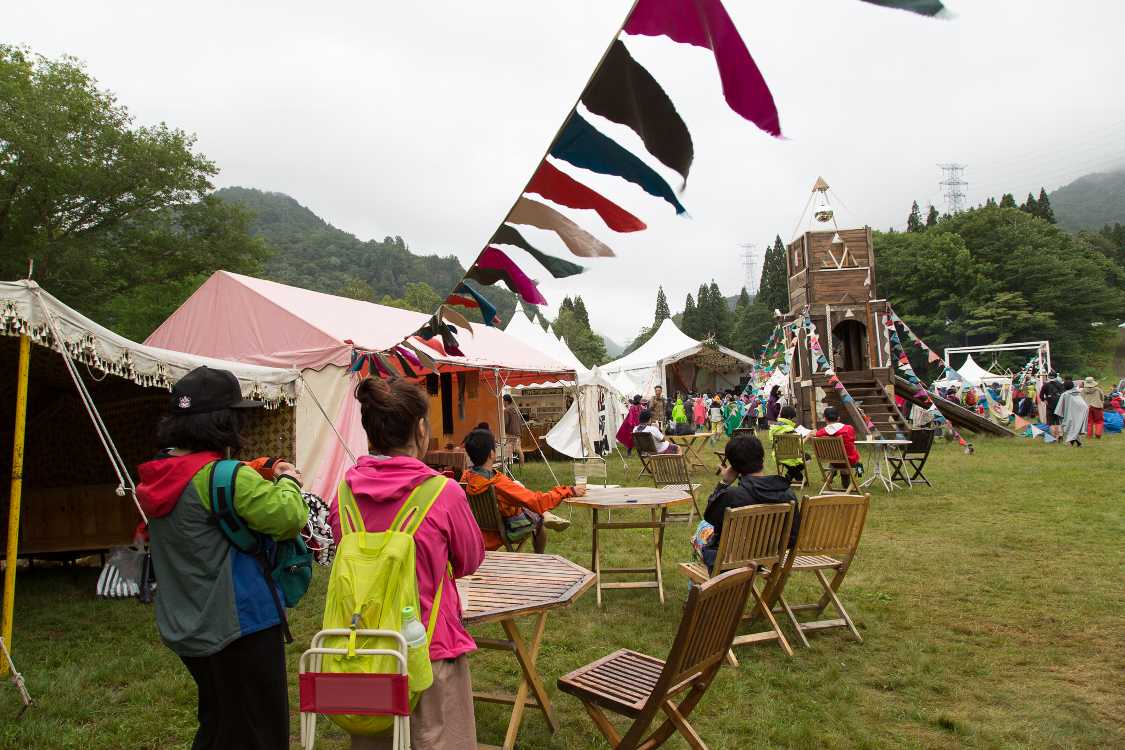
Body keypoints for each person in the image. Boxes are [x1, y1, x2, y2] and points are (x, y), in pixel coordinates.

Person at [137, 366, 309, 750]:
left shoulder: (157, 475)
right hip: (241, 625)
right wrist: (288, 480)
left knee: (220, 725)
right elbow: (289, 517)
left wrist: (255, 468)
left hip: (188, 623)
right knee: (261, 733)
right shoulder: (227, 477)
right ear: (223, 421)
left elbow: (206, 480)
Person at [330, 377, 485, 749]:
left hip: (366, 651)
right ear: (420, 428)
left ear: (370, 433)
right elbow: (469, 559)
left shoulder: (344, 494)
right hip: (429, 649)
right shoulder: (444, 493)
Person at [461, 428, 578, 553]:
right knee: (537, 518)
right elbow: (536, 501)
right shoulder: (498, 484)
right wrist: (570, 490)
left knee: (519, 493)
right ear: (492, 454)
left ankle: (545, 514)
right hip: (506, 530)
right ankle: (540, 553)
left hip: (475, 532)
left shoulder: (465, 479)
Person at [692, 435, 798, 571]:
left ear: (734, 467)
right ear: (762, 458)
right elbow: (792, 537)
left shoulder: (732, 496)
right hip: (767, 558)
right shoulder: (788, 494)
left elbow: (709, 517)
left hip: (731, 560)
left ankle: (699, 584)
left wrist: (724, 483)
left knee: (701, 529)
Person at [815, 406, 863, 477]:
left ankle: (831, 475)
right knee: (858, 457)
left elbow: (815, 434)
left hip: (832, 461)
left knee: (835, 456)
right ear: (838, 418)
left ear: (825, 419)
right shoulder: (848, 429)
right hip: (849, 461)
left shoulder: (821, 432)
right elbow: (852, 442)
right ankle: (859, 473)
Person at [769, 405, 807, 485]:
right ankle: (790, 474)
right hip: (792, 456)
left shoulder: (773, 427)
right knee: (807, 458)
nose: (794, 420)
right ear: (789, 418)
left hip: (777, 455)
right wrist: (808, 436)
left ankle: (795, 475)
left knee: (790, 461)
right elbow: (800, 445)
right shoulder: (790, 430)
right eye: (793, 418)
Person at [1054, 379, 1088, 447]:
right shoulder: (1077, 393)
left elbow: (1060, 406)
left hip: (1071, 414)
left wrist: (1059, 414)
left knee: (1071, 427)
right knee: (1075, 428)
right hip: (1081, 412)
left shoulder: (1065, 394)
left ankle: (1071, 444)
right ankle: (1079, 443)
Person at [1040, 372, 1066, 441]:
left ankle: (1053, 437)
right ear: (1056, 377)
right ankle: (1060, 435)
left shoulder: (1045, 385)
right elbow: (1064, 394)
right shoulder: (1060, 384)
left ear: (1048, 377)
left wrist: (1044, 400)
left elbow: (1041, 395)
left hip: (1049, 404)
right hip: (1059, 404)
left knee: (1051, 422)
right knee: (1058, 421)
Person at [502, 394, 524, 465]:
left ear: (506, 401)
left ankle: (508, 467)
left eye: (503, 401)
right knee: (519, 450)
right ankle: (522, 466)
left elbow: (505, 423)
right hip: (518, 433)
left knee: (508, 450)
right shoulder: (516, 409)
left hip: (510, 434)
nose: (502, 403)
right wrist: (521, 432)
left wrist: (502, 431)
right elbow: (520, 422)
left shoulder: (506, 410)